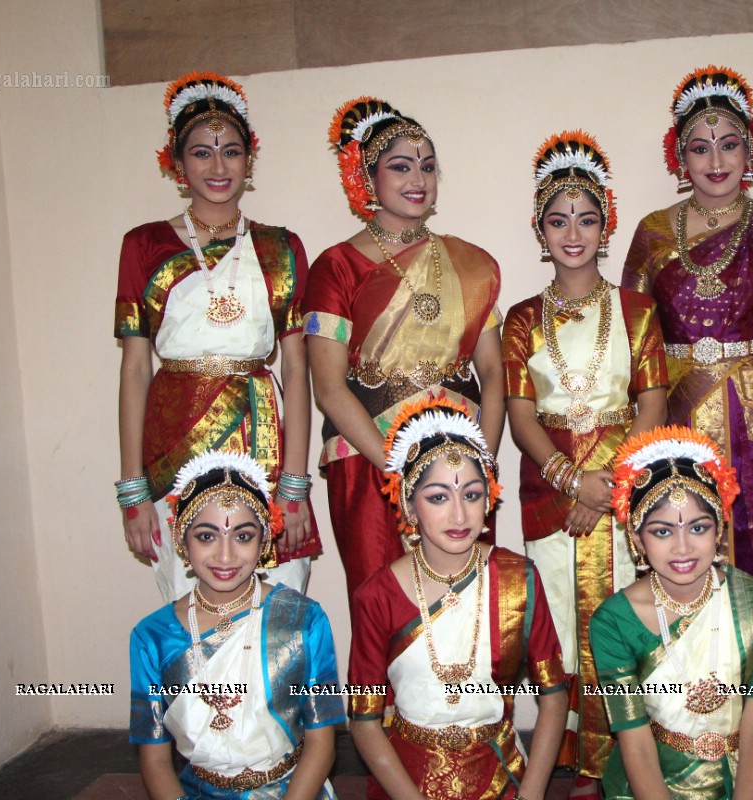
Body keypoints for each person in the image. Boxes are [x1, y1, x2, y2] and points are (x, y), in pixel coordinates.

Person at [622, 65, 753, 762]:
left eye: (729, 143)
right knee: (689, 552)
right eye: (699, 146)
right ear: (678, 157)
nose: (715, 160)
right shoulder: (651, 234)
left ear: (752, 149)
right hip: (681, 412)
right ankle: (696, 712)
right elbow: (633, 338)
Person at [501, 130, 667, 788]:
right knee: (561, 627)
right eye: (558, 219)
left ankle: (631, 761)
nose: (573, 232)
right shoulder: (519, 319)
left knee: (626, 623)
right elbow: (520, 417)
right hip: (553, 496)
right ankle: (572, 757)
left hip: (625, 490)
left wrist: (615, 485)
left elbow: (651, 402)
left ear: (607, 227)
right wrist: (573, 483)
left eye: (587, 218)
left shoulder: (638, 311)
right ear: (540, 232)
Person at [115, 71, 319, 603]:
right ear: (176, 165)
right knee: (189, 606)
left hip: (263, 443)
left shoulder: (281, 247)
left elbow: (296, 369)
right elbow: (136, 367)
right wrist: (132, 490)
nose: (218, 165)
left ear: (249, 160)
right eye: (201, 152)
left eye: (230, 150)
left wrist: (293, 484)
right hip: (174, 446)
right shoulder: (144, 245)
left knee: (279, 605)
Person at [304, 97, 504, 611]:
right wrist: (398, 467)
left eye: (428, 166)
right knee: (385, 611)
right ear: (367, 179)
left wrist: (484, 460)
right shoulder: (337, 267)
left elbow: (493, 373)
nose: (419, 178)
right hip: (371, 463)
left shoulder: (469, 264)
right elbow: (327, 388)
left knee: (470, 615)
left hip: (459, 465)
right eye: (401, 165)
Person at [348, 397, 568, 799]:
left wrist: (533, 794)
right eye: (437, 498)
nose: (459, 516)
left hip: (500, 775)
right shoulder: (378, 595)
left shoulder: (519, 579)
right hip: (405, 781)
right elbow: (363, 721)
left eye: (471, 495)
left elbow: (553, 694)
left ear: (489, 499)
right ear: (409, 506)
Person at [129, 451, 344, 799]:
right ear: (182, 542)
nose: (225, 556)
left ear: (264, 541)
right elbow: (154, 760)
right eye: (207, 536)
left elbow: (322, 743)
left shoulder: (303, 620)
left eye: (242, 536)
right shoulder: (152, 637)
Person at [590, 426, 753, 799]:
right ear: (637, 538)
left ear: (720, 529)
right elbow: (635, 741)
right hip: (650, 784)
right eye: (663, 532)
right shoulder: (613, 622)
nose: (683, 548)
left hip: (743, 783)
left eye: (698, 527)